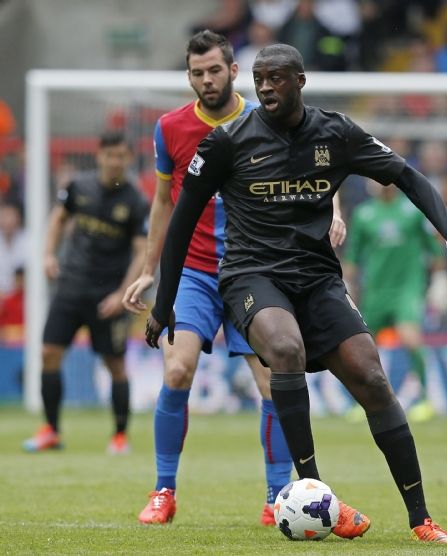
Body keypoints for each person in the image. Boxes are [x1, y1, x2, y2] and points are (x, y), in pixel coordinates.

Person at [145, 43, 447, 543]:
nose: (266, 87)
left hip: (318, 278)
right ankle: (316, 493)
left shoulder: (336, 132)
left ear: (300, 81)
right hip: (251, 275)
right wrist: (163, 305)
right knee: (285, 349)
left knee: (372, 377)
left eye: (277, 78)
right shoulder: (227, 141)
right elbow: (180, 221)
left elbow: (407, 176)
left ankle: (422, 519)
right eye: (260, 79)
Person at [122, 31, 336, 527]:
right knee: (177, 370)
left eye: (214, 70)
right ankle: (163, 490)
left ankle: (276, 497)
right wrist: (150, 270)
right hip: (194, 272)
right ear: (189, 76)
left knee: (272, 381)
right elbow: (164, 203)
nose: (206, 80)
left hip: (255, 267)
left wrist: (336, 210)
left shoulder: (267, 118)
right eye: (197, 73)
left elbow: (317, 166)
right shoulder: (170, 128)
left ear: (233, 71)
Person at [23, 131, 148, 455]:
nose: (115, 161)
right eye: (110, 155)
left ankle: (119, 436)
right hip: (71, 287)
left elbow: (142, 252)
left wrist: (122, 293)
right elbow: (57, 219)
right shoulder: (78, 187)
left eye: (121, 156)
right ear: (99, 155)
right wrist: (48, 255)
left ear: (128, 158)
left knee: (115, 364)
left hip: (107, 296)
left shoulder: (135, 201)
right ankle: (51, 430)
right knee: (49, 353)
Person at [342, 180, 446, 423]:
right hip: (375, 291)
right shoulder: (364, 214)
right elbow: (353, 256)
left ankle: (425, 400)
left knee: (410, 338)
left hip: (407, 288)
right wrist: (346, 285)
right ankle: (361, 402)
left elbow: (434, 249)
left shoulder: (412, 211)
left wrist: (441, 279)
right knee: (363, 346)